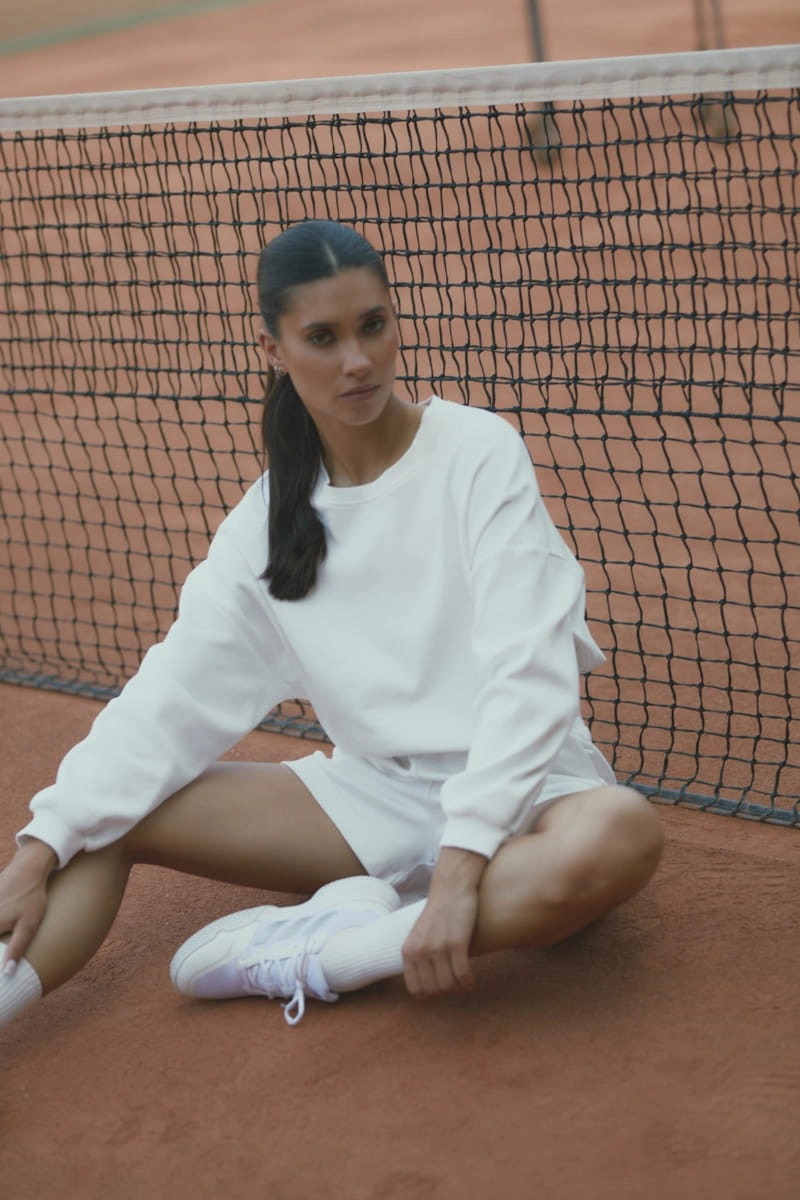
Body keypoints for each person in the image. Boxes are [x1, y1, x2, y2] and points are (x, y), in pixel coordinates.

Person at [0, 219, 663, 1031]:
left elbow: (530, 672)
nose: (358, 360)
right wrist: (39, 847)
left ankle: (329, 952)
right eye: (323, 337)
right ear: (273, 349)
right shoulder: (263, 523)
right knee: (106, 819)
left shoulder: (478, 452)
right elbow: (170, 698)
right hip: (376, 795)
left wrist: (462, 865)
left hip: (530, 790)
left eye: (372, 325)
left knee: (620, 834)